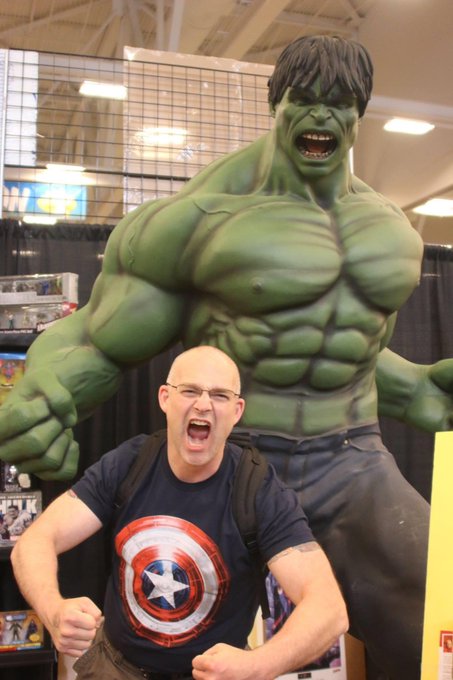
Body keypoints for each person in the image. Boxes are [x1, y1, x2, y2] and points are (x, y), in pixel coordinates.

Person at [0, 33, 446, 678]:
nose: (321, 116)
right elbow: (96, 338)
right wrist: (44, 392)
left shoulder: (387, 231)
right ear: (276, 103)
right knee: (172, 639)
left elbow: (347, 351)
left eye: (341, 104)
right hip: (227, 464)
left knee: (433, 618)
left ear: (359, 115)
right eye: (305, 99)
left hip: (350, 461)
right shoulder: (203, 219)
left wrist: (421, 388)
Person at [10, 346, 348, 680]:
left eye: (219, 395)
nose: (203, 404)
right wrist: (53, 610)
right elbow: (35, 540)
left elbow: (329, 609)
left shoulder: (258, 489)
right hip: (114, 667)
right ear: (165, 398)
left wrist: (256, 666)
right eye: (190, 391)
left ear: (237, 411)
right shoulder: (129, 464)